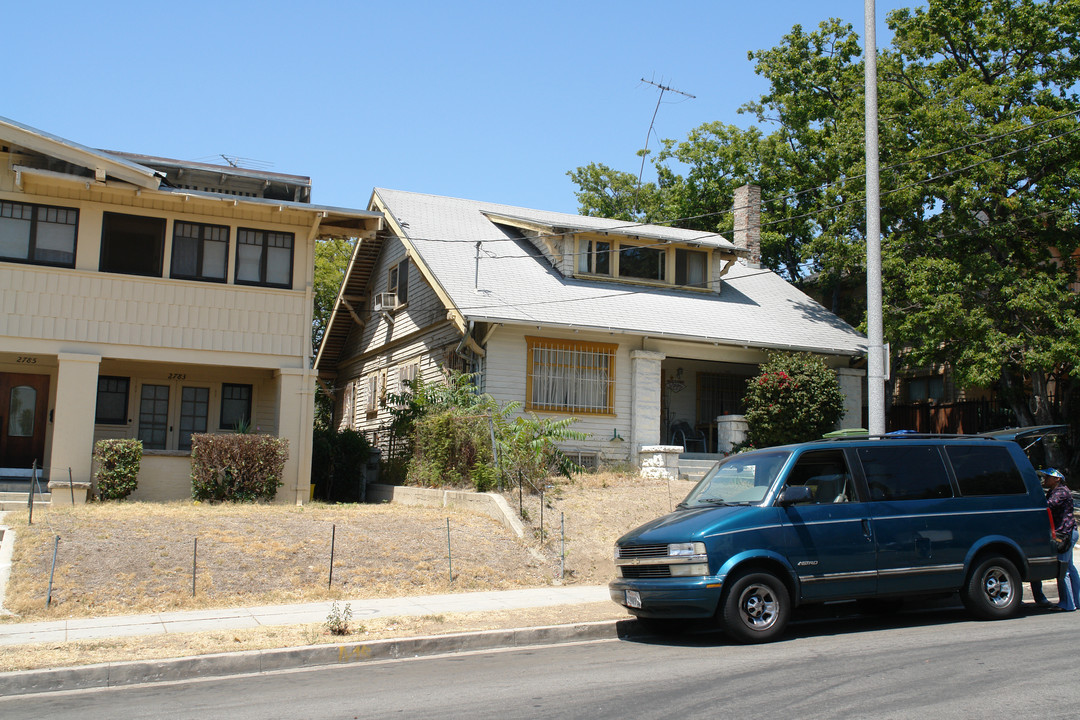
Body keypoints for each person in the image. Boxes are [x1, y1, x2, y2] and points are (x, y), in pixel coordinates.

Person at [1031, 468, 1080, 611]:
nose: (1045, 479)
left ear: (1057, 479)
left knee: (1063, 569)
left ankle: (1068, 604)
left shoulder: (1061, 492)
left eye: (1048, 477)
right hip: (1068, 532)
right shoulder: (1055, 491)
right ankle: (1076, 601)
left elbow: (1048, 506)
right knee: (1070, 567)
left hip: (1065, 534)